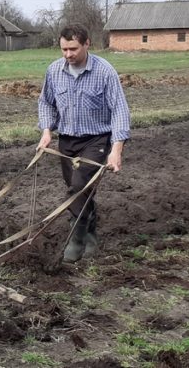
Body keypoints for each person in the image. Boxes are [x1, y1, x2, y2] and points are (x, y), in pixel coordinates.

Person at [37, 23, 130, 263]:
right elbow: (46, 102)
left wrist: (116, 149)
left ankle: (76, 240)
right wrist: (47, 131)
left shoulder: (104, 71)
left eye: (74, 49)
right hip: (67, 141)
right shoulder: (54, 71)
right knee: (80, 190)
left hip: (96, 140)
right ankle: (90, 233)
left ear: (87, 44)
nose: (68, 55)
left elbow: (119, 109)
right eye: (64, 49)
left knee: (77, 188)